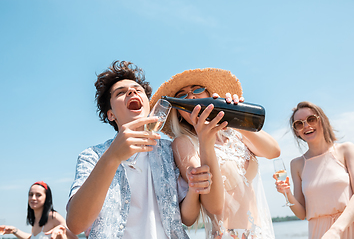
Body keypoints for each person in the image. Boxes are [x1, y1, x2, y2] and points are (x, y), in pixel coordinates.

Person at [66, 60, 211, 239]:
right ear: (111, 114)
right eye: (121, 92)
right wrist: (111, 157)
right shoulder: (92, 156)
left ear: (149, 106)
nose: (131, 91)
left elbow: (188, 218)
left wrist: (194, 187)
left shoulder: (170, 151)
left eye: (138, 90)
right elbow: (75, 224)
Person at [150, 68, 281, 239]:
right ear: (180, 113)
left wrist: (235, 119)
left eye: (197, 90)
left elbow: (273, 151)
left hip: (261, 233)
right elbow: (214, 206)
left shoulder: (235, 133)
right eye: (182, 96)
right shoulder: (184, 143)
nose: (191, 97)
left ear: (210, 95)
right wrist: (206, 142)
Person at [274, 101, 354, 239]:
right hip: (318, 233)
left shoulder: (346, 150)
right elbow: (302, 214)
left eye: (311, 119)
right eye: (299, 124)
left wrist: (336, 230)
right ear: (296, 132)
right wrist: (287, 193)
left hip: (349, 227)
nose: (306, 125)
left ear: (322, 120)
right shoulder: (297, 164)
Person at [0, 181, 77, 239]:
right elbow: (32, 237)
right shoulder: (36, 220)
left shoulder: (54, 216)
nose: (33, 198)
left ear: (46, 198)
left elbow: (74, 237)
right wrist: (14, 230)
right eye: (31, 194)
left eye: (38, 195)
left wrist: (63, 235)